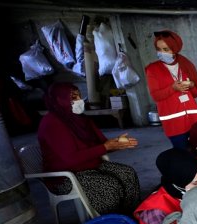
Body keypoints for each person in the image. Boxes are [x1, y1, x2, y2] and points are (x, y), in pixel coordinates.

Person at [38, 82, 140, 216]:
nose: (79, 100)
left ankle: (131, 216)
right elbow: (71, 158)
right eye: (73, 97)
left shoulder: (81, 119)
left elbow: (102, 144)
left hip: (90, 166)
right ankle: (110, 222)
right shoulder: (52, 123)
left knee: (127, 174)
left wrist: (116, 144)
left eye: (79, 96)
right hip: (65, 176)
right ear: (59, 100)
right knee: (109, 185)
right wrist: (105, 147)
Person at [145, 30, 197, 149]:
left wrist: (191, 85)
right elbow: (156, 96)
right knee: (183, 155)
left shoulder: (186, 65)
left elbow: (195, 94)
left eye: (166, 49)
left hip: (194, 119)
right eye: (159, 49)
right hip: (174, 122)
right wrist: (173, 88)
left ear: (174, 49)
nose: (162, 53)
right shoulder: (153, 69)